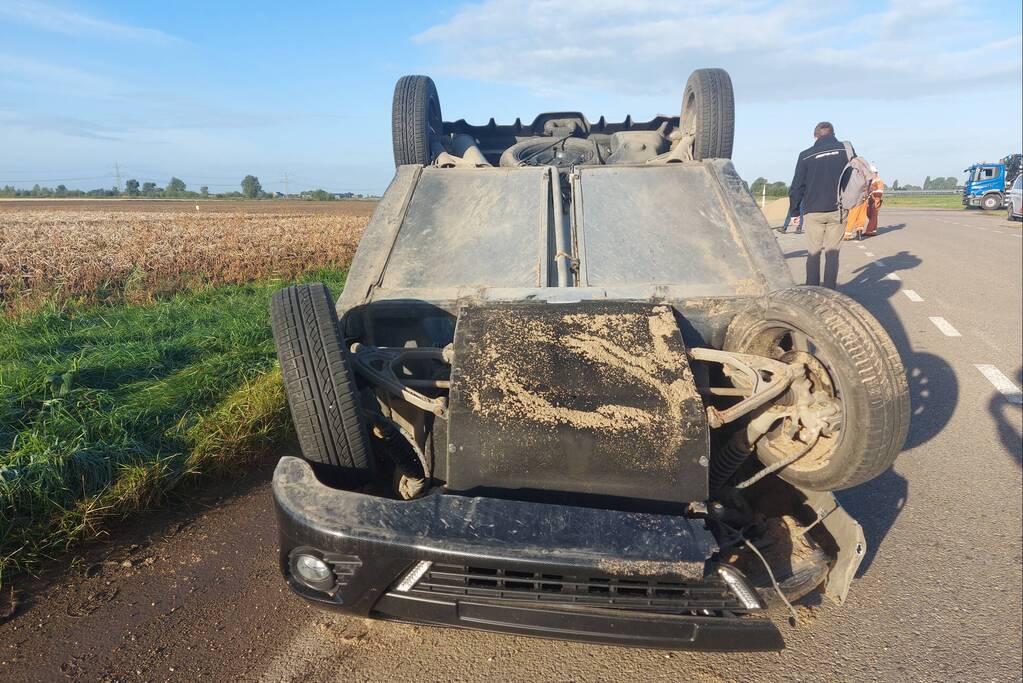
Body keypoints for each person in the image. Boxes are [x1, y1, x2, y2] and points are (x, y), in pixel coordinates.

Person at [788, 121, 851, 289]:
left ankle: (812, 290)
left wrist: (794, 212)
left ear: (815, 136)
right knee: (832, 254)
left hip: (813, 211)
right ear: (834, 134)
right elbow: (852, 178)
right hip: (838, 209)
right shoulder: (845, 150)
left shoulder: (805, 155)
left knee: (813, 253)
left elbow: (797, 186)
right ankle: (830, 292)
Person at [864, 167, 885, 237]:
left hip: (875, 199)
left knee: (873, 215)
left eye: (871, 173)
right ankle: (872, 230)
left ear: (875, 173)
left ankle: (870, 231)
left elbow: (879, 192)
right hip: (870, 199)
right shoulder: (871, 181)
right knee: (869, 214)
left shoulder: (878, 181)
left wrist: (876, 200)